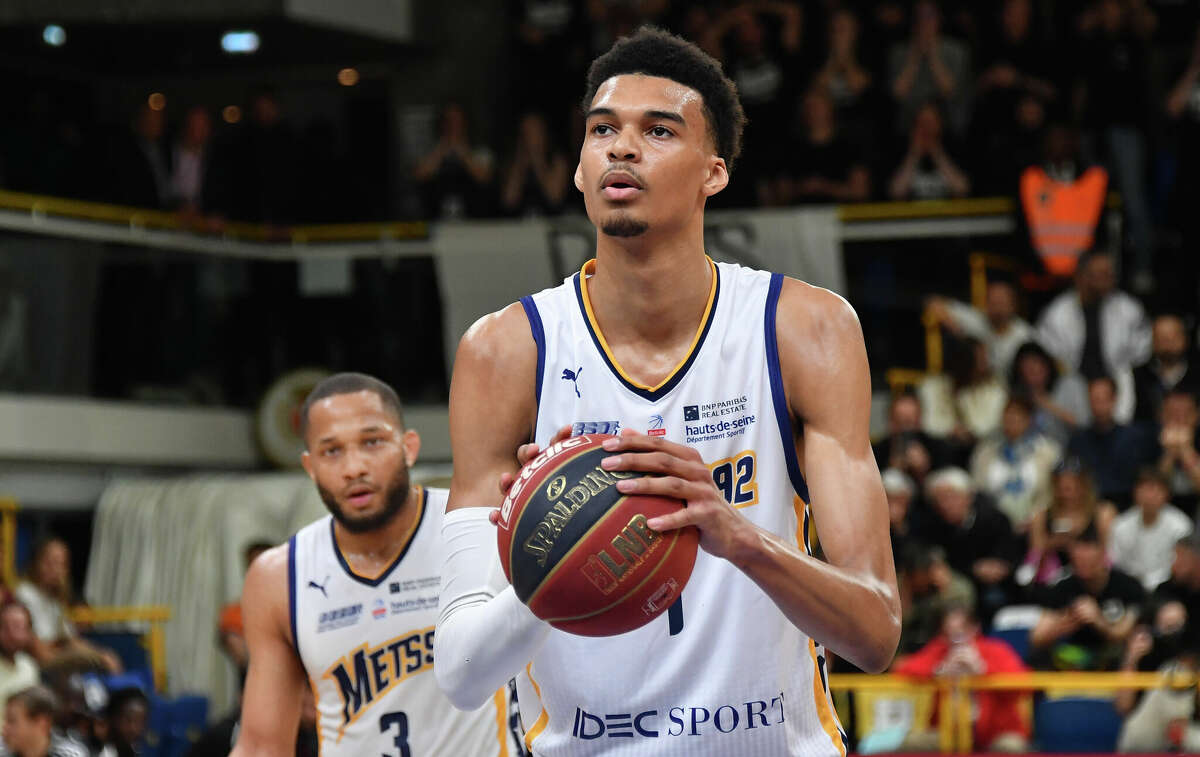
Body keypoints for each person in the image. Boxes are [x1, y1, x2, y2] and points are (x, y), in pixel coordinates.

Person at [437, 27, 900, 756]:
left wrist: (734, 533)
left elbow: (875, 631)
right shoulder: (505, 350)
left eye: (658, 130)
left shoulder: (803, 329)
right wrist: (559, 555)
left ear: (714, 172)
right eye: (601, 131)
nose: (621, 148)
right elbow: (461, 672)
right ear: (581, 171)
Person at [230, 373, 516, 756]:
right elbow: (263, 747)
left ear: (409, 447)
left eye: (372, 442)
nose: (354, 467)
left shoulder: (478, 525)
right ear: (309, 466)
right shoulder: (278, 576)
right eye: (332, 451)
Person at [893, 605, 1031, 752]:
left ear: (974, 628)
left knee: (1011, 747)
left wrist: (983, 670)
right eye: (948, 633)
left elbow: (1023, 683)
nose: (955, 638)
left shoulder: (996, 650)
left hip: (996, 733)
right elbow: (901, 668)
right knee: (911, 743)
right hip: (948, 733)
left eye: (961, 631)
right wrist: (939, 670)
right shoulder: (940, 649)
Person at [1036, 249, 1151, 424]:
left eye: (1109, 273)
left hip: (1118, 382)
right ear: (1081, 277)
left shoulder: (1128, 308)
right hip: (1072, 384)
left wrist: (1123, 369)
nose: (1108, 279)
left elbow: (1143, 350)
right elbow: (1047, 352)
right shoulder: (1057, 313)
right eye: (1100, 274)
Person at [1032, 522, 1145, 670]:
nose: (1083, 566)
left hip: (1114, 659)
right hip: (1074, 660)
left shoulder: (1128, 586)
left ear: (1102, 555)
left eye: (1089, 561)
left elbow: (1122, 634)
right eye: (1078, 560)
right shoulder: (1062, 588)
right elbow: (1037, 638)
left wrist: (1098, 620)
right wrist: (1064, 623)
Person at [918, 467, 1021, 626]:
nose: (945, 504)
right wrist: (972, 569)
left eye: (951, 497)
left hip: (1000, 580)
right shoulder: (932, 527)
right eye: (939, 499)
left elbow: (1012, 553)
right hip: (959, 579)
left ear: (968, 497)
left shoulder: (995, 519)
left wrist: (1000, 566)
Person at [14, 540, 119, 675]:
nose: (55, 570)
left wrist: (101, 653)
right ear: (36, 562)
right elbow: (41, 651)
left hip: (60, 661)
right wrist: (95, 657)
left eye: (61, 565)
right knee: (91, 659)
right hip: (35, 665)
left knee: (106, 656)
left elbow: (71, 639)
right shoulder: (25, 593)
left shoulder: (56, 601)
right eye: (49, 562)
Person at [969, 395, 1062, 533]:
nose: (1012, 420)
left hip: (1037, 525)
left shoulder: (1049, 452)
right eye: (1008, 415)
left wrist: (1037, 520)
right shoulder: (984, 452)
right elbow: (976, 491)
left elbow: (1055, 492)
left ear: (1029, 419)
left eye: (1018, 415)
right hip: (993, 527)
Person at [1021, 459, 1117, 589]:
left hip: (1092, 580)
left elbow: (1110, 554)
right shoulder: (1041, 516)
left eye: (1073, 487)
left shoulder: (1103, 513)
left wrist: (1082, 551)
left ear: (1084, 486)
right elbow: (1033, 559)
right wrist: (1053, 543)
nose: (1068, 494)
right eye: (1062, 487)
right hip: (1052, 582)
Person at [923, 280, 1035, 383]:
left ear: (1013, 305)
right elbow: (933, 302)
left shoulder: (1025, 334)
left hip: (1010, 389)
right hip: (975, 386)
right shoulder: (976, 319)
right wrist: (957, 330)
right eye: (993, 302)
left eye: (1001, 302)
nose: (997, 308)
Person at [1067, 375, 1154, 505]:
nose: (1100, 406)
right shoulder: (1077, 440)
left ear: (1114, 400)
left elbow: (1146, 477)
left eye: (1104, 400)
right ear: (1089, 401)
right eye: (1095, 400)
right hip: (1089, 507)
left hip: (1129, 507)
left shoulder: (1135, 437)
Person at [887, 0, 971, 135]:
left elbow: (949, 90)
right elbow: (898, 93)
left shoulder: (956, 50)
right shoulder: (899, 52)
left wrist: (933, 55)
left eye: (929, 16)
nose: (924, 22)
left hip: (945, 119)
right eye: (919, 16)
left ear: (939, 19)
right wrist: (914, 58)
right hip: (910, 121)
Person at [1110, 468, 1193, 591]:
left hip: (1168, 588)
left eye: (1155, 490)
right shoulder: (1121, 525)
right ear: (1135, 492)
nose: (1149, 496)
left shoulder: (1181, 526)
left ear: (1167, 494)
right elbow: (1116, 563)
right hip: (1130, 588)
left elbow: (1180, 567)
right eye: (1144, 489)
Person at [897, 544, 975, 656]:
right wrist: (906, 593)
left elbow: (959, 622)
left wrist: (945, 590)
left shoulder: (957, 588)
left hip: (939, 646)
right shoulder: (899, 585)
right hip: (903, 646)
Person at [1007, 340, 1089, 446]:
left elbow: (1084, 425)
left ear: (1047, 364)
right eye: (1028, 370)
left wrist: (1047, 404)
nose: (1035, 374)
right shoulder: (1021, 397)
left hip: (1073, 449)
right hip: (1036, 454)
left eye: (1037, 365)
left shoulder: (1071, 384)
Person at [887, 100, 970, 200]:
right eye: (922, 122)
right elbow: (896, 192)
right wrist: (914, 155)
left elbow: (962, 189)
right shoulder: (903, 148)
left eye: (931, 122)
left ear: (940, 124)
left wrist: (937, 154)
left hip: (947, 214)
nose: (926, 127)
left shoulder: (952, 146)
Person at [216, 541, 273, 684]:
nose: (260, 571)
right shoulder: (234, 613)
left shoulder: (297, 605)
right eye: (253, 565)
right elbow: (240, 654)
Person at [872, 391, 950, 487]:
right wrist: (891, 468)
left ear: (919, 421)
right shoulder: (877, 451)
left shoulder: (937, 447)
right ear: (890, 422)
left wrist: (924, 469)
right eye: (899, 421)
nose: (905, 428)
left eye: (910, 421)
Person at [499, 111, 571, 216]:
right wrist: (520, 163)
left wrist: (537, 160)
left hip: (552, 225)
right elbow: (508, 201)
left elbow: (555, 197)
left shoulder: (557, 160)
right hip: (518, 227)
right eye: (526, 132)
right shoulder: (513, 161)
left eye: (535, 131)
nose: (530, 137)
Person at [1134, 314, 1200, 424]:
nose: (1168, 342)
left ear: (1185, 338)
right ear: (1153, 340)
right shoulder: (1138, 376)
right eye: (1162, 337)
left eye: (1173, 336)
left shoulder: (1197, 373)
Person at [0, 686, 88, 757]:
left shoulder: (69, 754)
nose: (4, 728)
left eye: (12, 721)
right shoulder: (3, 751)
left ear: (42, 723)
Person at [1155, 388, 1200, 515]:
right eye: (1172, 413)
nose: (1179, 419)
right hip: (1162, 511)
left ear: (1196, 416)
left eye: (1185, 413)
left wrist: (1186, 451)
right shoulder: (1149, 440)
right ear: (1162, 415)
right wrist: (1169, 455)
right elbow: (1152, 492)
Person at [0, 604, 39, 712]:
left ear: (29, 633)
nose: (11, 634)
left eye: (17, 627)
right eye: (5, 627)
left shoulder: (29, 666)